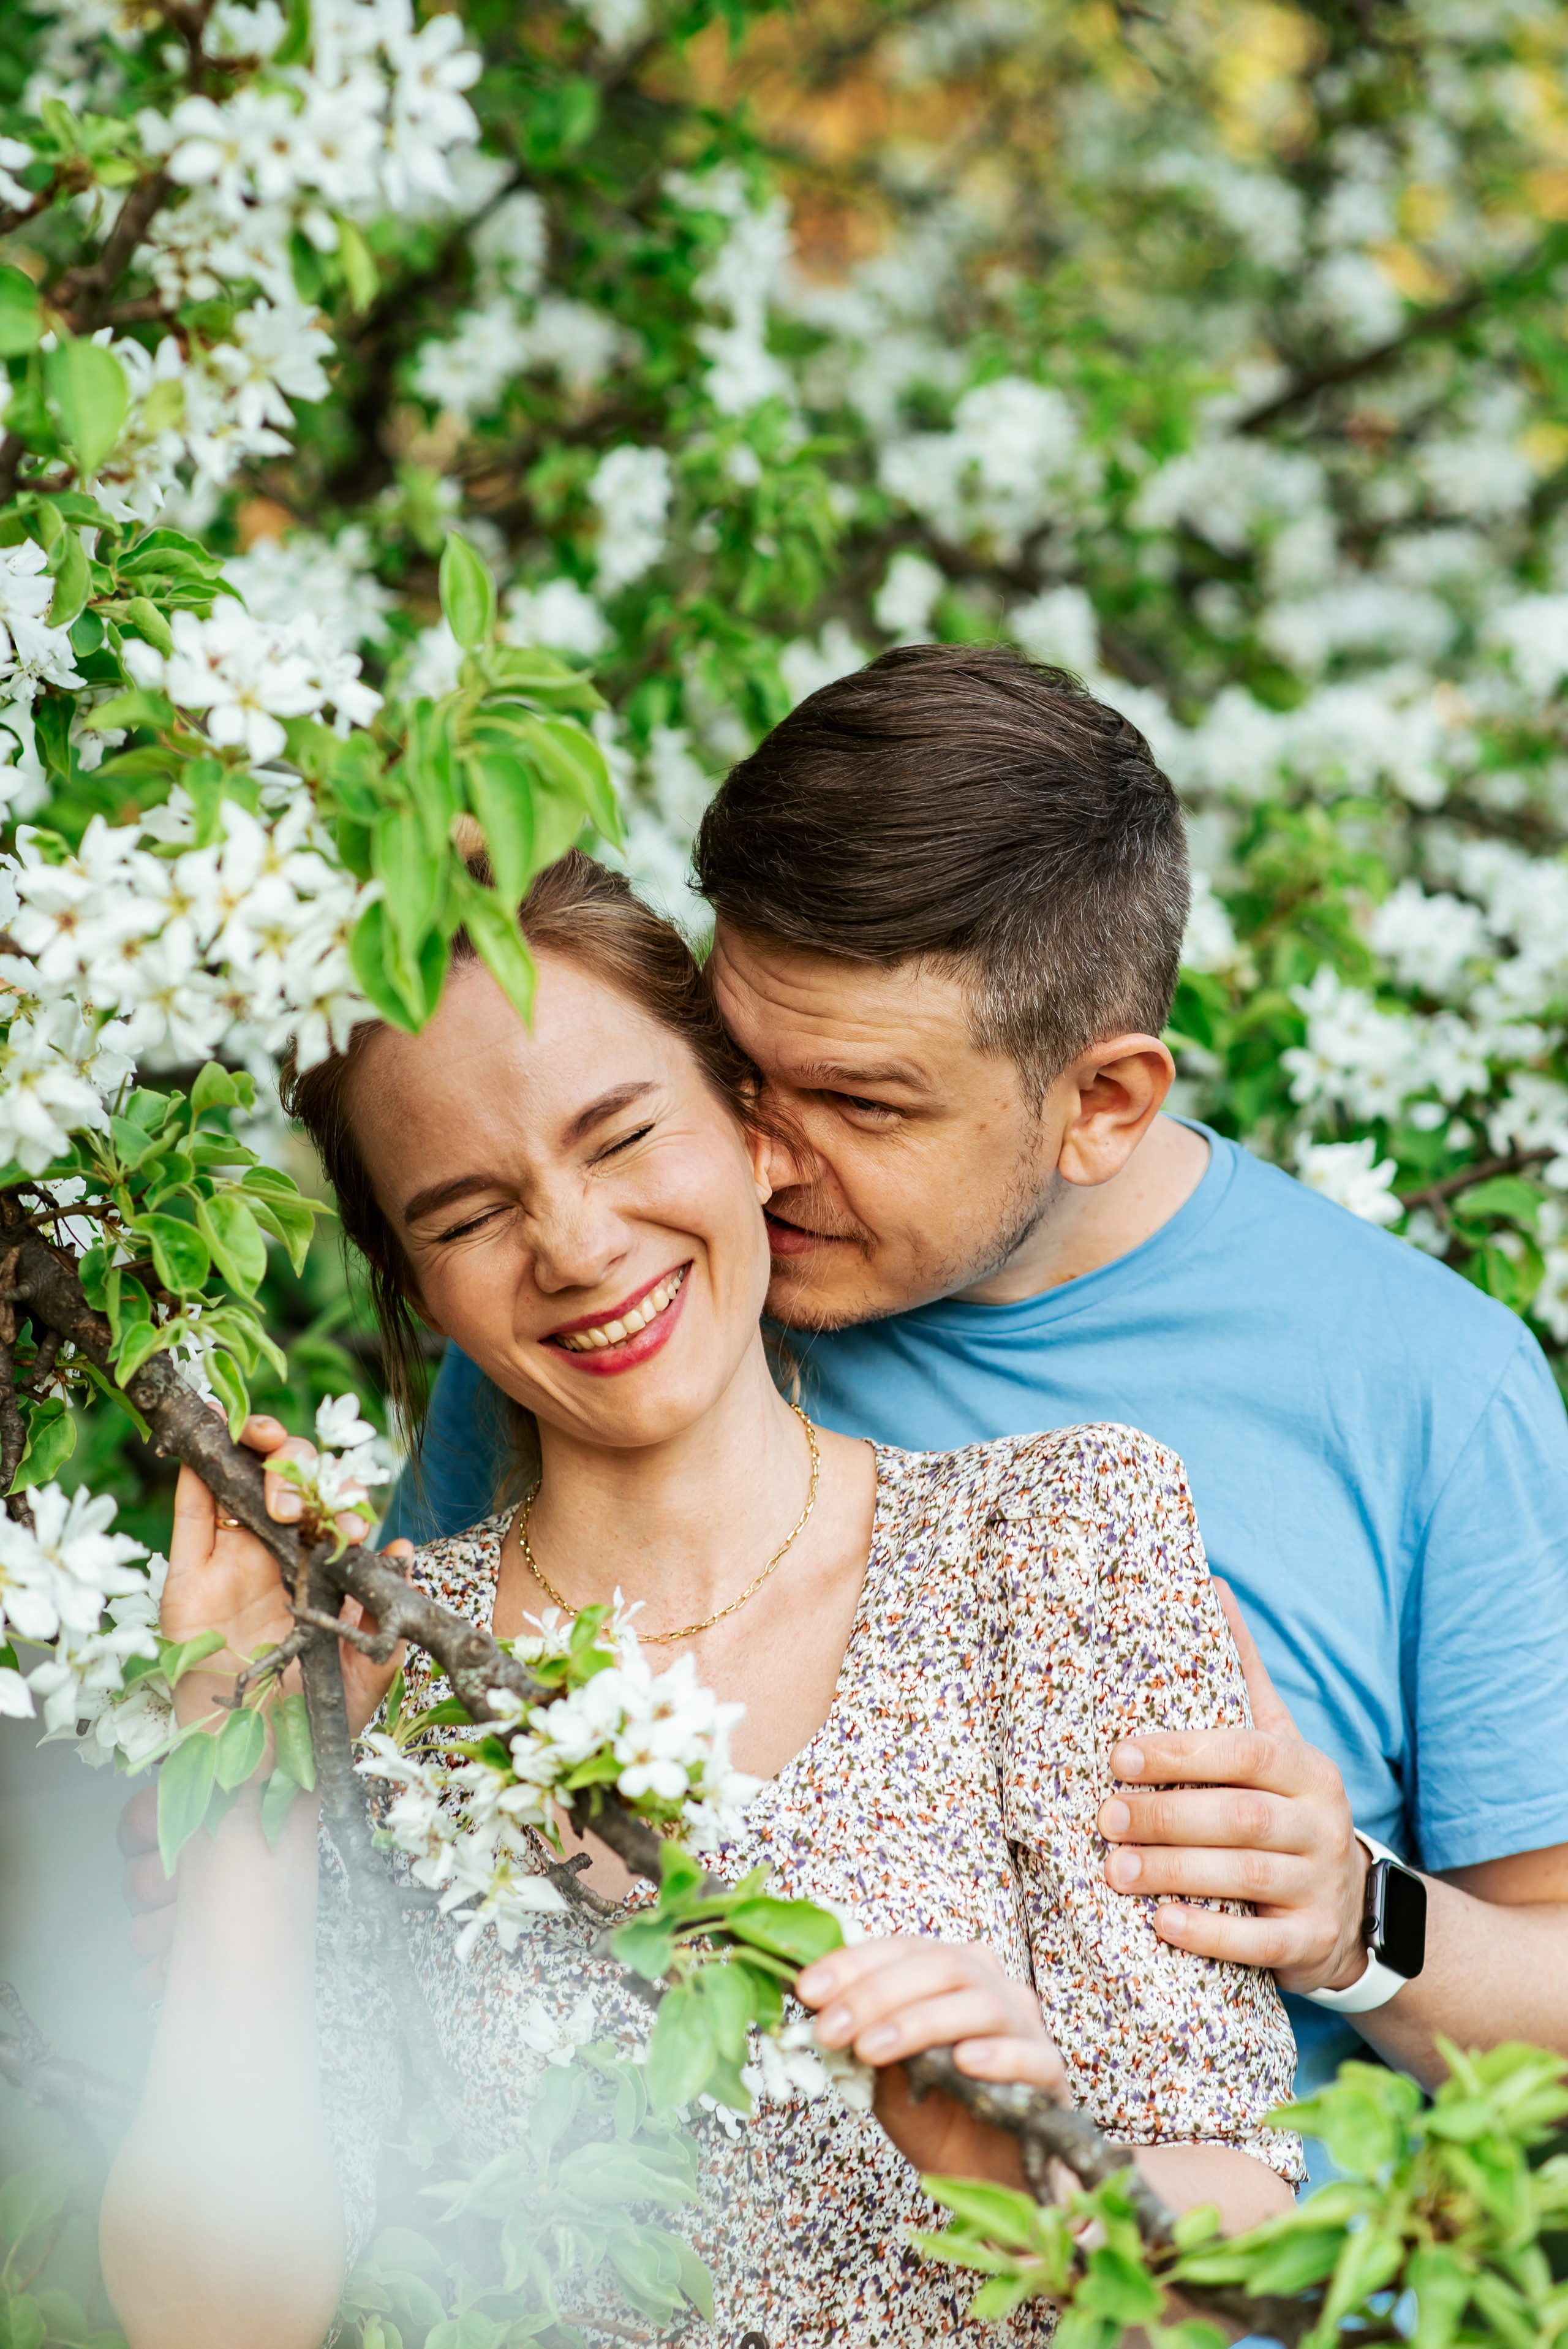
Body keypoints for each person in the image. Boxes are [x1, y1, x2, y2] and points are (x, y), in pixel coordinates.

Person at [101, 855, 1301, 2349]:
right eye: (468, 1214)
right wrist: (246, 1812)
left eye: (620, 1137)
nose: (579, 1244)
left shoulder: (1050, 1544)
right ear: (416, 1288)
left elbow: (1243, 2231)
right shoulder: (382, 1678)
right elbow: (217, 2324)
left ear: (751, 1130)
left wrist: (1033, 2174)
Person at [379, 646, 1568, 2127]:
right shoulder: (629, 1314)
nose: (759, 1154)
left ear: (1100, 1104)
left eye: (863, 1104)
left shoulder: (1426, 1386)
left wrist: (1352, 1920)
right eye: (737, 1069)